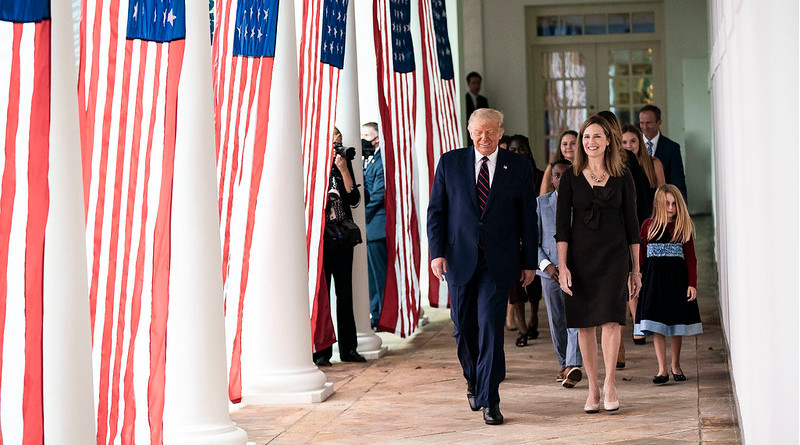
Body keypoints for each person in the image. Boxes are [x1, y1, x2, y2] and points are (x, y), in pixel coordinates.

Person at [427, 108, 538, 425]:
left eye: (490, 131)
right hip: (458, 259)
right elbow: (436, 212)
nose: (484, 137)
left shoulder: (517, 167)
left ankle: (490, 398)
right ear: (469, 131)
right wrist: (437, 253)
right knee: (463, 328)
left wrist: (529, 262)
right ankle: (474, 379)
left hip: (498, 262)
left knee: (490, 328)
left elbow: (528, 220)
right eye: (478, 131)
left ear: (501, 131)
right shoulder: (450, 162)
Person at [556, 114, 641, 413]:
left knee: (611, 320)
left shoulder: (622, 176)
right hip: (579, 259)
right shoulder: (570, 176)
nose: (591, 142)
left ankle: (610, 384)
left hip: (614, 258)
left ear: (608, 141)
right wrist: (562, 267)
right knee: (584, 324)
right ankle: (592, 387)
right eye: (586, 137)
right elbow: (561, 227)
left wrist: (636, 270)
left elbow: (633, 225)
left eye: (597, 137)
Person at [634, 185, 702, 384]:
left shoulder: (682, 227)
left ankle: (676, 364)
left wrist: (692, 283)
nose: (671, 208)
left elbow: (691, 258)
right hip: (654, 283)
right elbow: (641, 256)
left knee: (675, 325)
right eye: (667, 204)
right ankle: (661, 368)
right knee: (658, 326)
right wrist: (637, 278)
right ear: (658, 204)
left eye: (674, 204)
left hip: (676, 282)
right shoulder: (648, 226)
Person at [313, 128, 367, 366]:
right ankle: (322, 350)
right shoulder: (312, 163)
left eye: (339, 143)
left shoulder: (342, 165)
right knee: (321, 296)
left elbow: (354, 199)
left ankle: (349, 349)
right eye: (335, 143)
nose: (338, 148)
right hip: (320, 240)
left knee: (345, 294)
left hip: (342, 238)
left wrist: (344, 168)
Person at [537, 159, 582, 387]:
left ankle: (573, 365)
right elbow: (532, 240)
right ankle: (564, 362)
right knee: (557, 320)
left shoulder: (582, 203)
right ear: (551, 178)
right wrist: (547, 265)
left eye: (565, 176)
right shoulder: (540, 204)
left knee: (575, 317)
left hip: (576, 270)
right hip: (550, 272)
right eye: (556, 175)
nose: (560, 180)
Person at [505, 134, 544, 344]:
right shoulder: (502, 174)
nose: (518, 153)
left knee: (534, 280)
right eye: (512, 150)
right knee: (514, 284)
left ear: (527, 150)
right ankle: (522, 329)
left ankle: (534, 319)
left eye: (521, 149)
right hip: (511, 235)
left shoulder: (539, 175)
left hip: (534, 234)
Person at [361, 122, 387, 330]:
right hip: (370, 228)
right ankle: (375, 313)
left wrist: (363, 215)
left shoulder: (381, 162)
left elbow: (378, 193)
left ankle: (382, 315)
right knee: (370, 277)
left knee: (380, 276)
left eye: (367, 135)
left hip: (376, 225)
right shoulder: (369, 160)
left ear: (377, 138)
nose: (364, 139)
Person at [639, 105, 687, 200]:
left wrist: (681, 209)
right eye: (641, 123)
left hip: (663, 203)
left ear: (659, 122)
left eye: (649, 123)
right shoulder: (633, 145)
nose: (644, 127)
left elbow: (678, 181)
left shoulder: (672, 148)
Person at [539, 130, 577, 195]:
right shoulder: (551, 167)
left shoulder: (585, 167)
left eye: (573, 143)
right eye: (565, 144)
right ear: (560, 147)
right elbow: (543, 199)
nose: (568, 147)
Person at [465, 72, 489, 147]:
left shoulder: (483, 100)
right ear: (469, 84)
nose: (476, 86)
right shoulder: (464, 99)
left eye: (478, 83)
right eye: (474, 83)